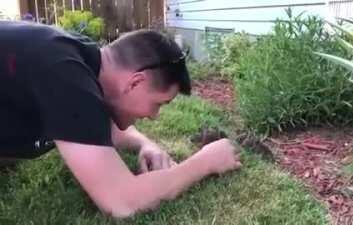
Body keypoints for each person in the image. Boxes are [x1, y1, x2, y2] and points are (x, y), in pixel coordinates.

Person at [0, 21, 242, 217]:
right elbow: (121, 202)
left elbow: (98, 124)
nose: (154, 116)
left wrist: (144, 144)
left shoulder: (82, 61)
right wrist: (205, 162)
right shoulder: (65, 75)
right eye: (158, 103)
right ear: (135, 82)